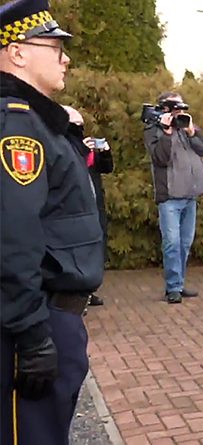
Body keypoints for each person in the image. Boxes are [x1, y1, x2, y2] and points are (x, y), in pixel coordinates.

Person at [1, 0, 104, 443]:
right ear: (17, 52)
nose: (67, 58)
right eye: (55, 46)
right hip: (36, 320)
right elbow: (12, 236)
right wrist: (31, 335)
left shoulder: (42, 124)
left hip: (50, 317)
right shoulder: (17, 127)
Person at [144, 92, 203, 303]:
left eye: (182, 110)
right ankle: (172, 287)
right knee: (172, 243)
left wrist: (192, 131)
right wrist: (166, 132)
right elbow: (160, 158)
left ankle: (179, 284)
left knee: (184, 243)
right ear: (165, 109)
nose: (180, 114)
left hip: (190, 195)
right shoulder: (153, 130)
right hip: (170, 197)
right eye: (176, 110)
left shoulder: (185, 126)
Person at [63, 105, 113, 307]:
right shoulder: (63, 146)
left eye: (81, 124)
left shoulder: (89, 147)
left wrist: (105, 152)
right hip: (74, 208)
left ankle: (90, 291)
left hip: (94, 204)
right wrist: (80, 150)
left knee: (97, 245)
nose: (79, 128)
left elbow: (107, 168)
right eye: (75, 124)